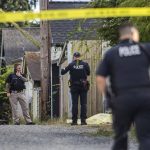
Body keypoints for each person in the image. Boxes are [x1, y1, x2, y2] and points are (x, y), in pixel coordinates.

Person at [96, 23, 150, 150]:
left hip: (122, 99)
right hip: (144, 98)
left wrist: (108, 96)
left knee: (121, 137)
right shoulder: (145, 49)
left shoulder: (111, 53)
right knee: (146, 137)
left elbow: (100, 77)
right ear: (133, 33)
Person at [61, 52, 90, 125]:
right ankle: (83, 121)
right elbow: (88, 73)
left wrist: (63, 67)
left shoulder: (71, 65)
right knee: (83, 104)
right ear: (80, 57)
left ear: (74, 57)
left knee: (75, 104)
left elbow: (62, 72)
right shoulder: (85, 64)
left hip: (74, 87)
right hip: (83, 86)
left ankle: (74, 121)